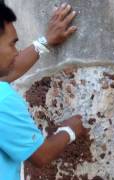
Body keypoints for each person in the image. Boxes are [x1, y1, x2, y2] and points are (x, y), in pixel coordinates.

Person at [0, 2, 86, 180]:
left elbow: (10, 69)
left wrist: (45, 41)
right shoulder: (3, 99)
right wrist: (70, 129)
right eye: (12, 45)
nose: (16, 52)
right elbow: (41, 155)